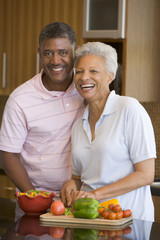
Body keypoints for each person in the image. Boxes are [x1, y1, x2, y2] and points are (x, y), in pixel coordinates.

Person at [60, 42, 156, 221]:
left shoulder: (129, 109)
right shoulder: (78, 123)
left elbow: (146, 174)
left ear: (110, 76)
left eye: (93, 71)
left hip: (128, 220)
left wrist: (96, 194)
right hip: (90, 218)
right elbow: (78, 176)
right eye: (79, 71)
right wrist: (71, 183)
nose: (84, 77)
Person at [0, 22, 84, 198]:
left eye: (63, 52)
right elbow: (8, 156)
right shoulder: (20, 99)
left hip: (83, 198)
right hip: (36, 200)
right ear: (39, 54)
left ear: (75, 52)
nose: (55, 61)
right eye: (48, 53)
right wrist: (35, 197)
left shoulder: (86, 88)